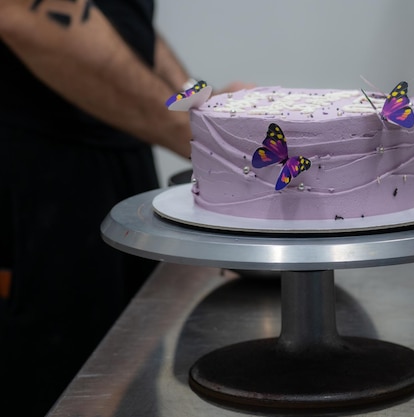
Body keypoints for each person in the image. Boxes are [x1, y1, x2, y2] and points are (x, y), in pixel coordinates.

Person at [0, 1, 251, 415]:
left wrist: (197, 105)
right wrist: (207, 139)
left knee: (125, 390)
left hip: (110, 159)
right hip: (36, 185)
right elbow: (23, 16)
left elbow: (122, 16)